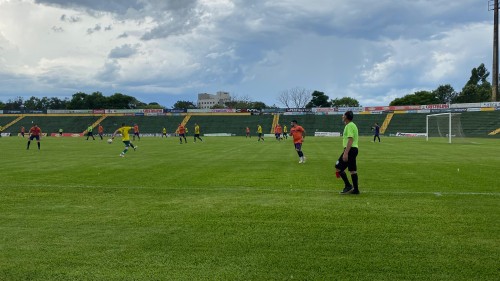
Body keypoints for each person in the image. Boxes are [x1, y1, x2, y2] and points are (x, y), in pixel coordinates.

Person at [335, 111, 360, 195]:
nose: (342, 116)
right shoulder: (353, 125)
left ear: (346, 117)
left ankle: (348, 186)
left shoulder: (349, 126)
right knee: (353, 170)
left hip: (350, 149)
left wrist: (345, 153)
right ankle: (356, 190)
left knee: (338, 167)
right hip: (354, 149)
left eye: (343, 115)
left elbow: (350, 139)